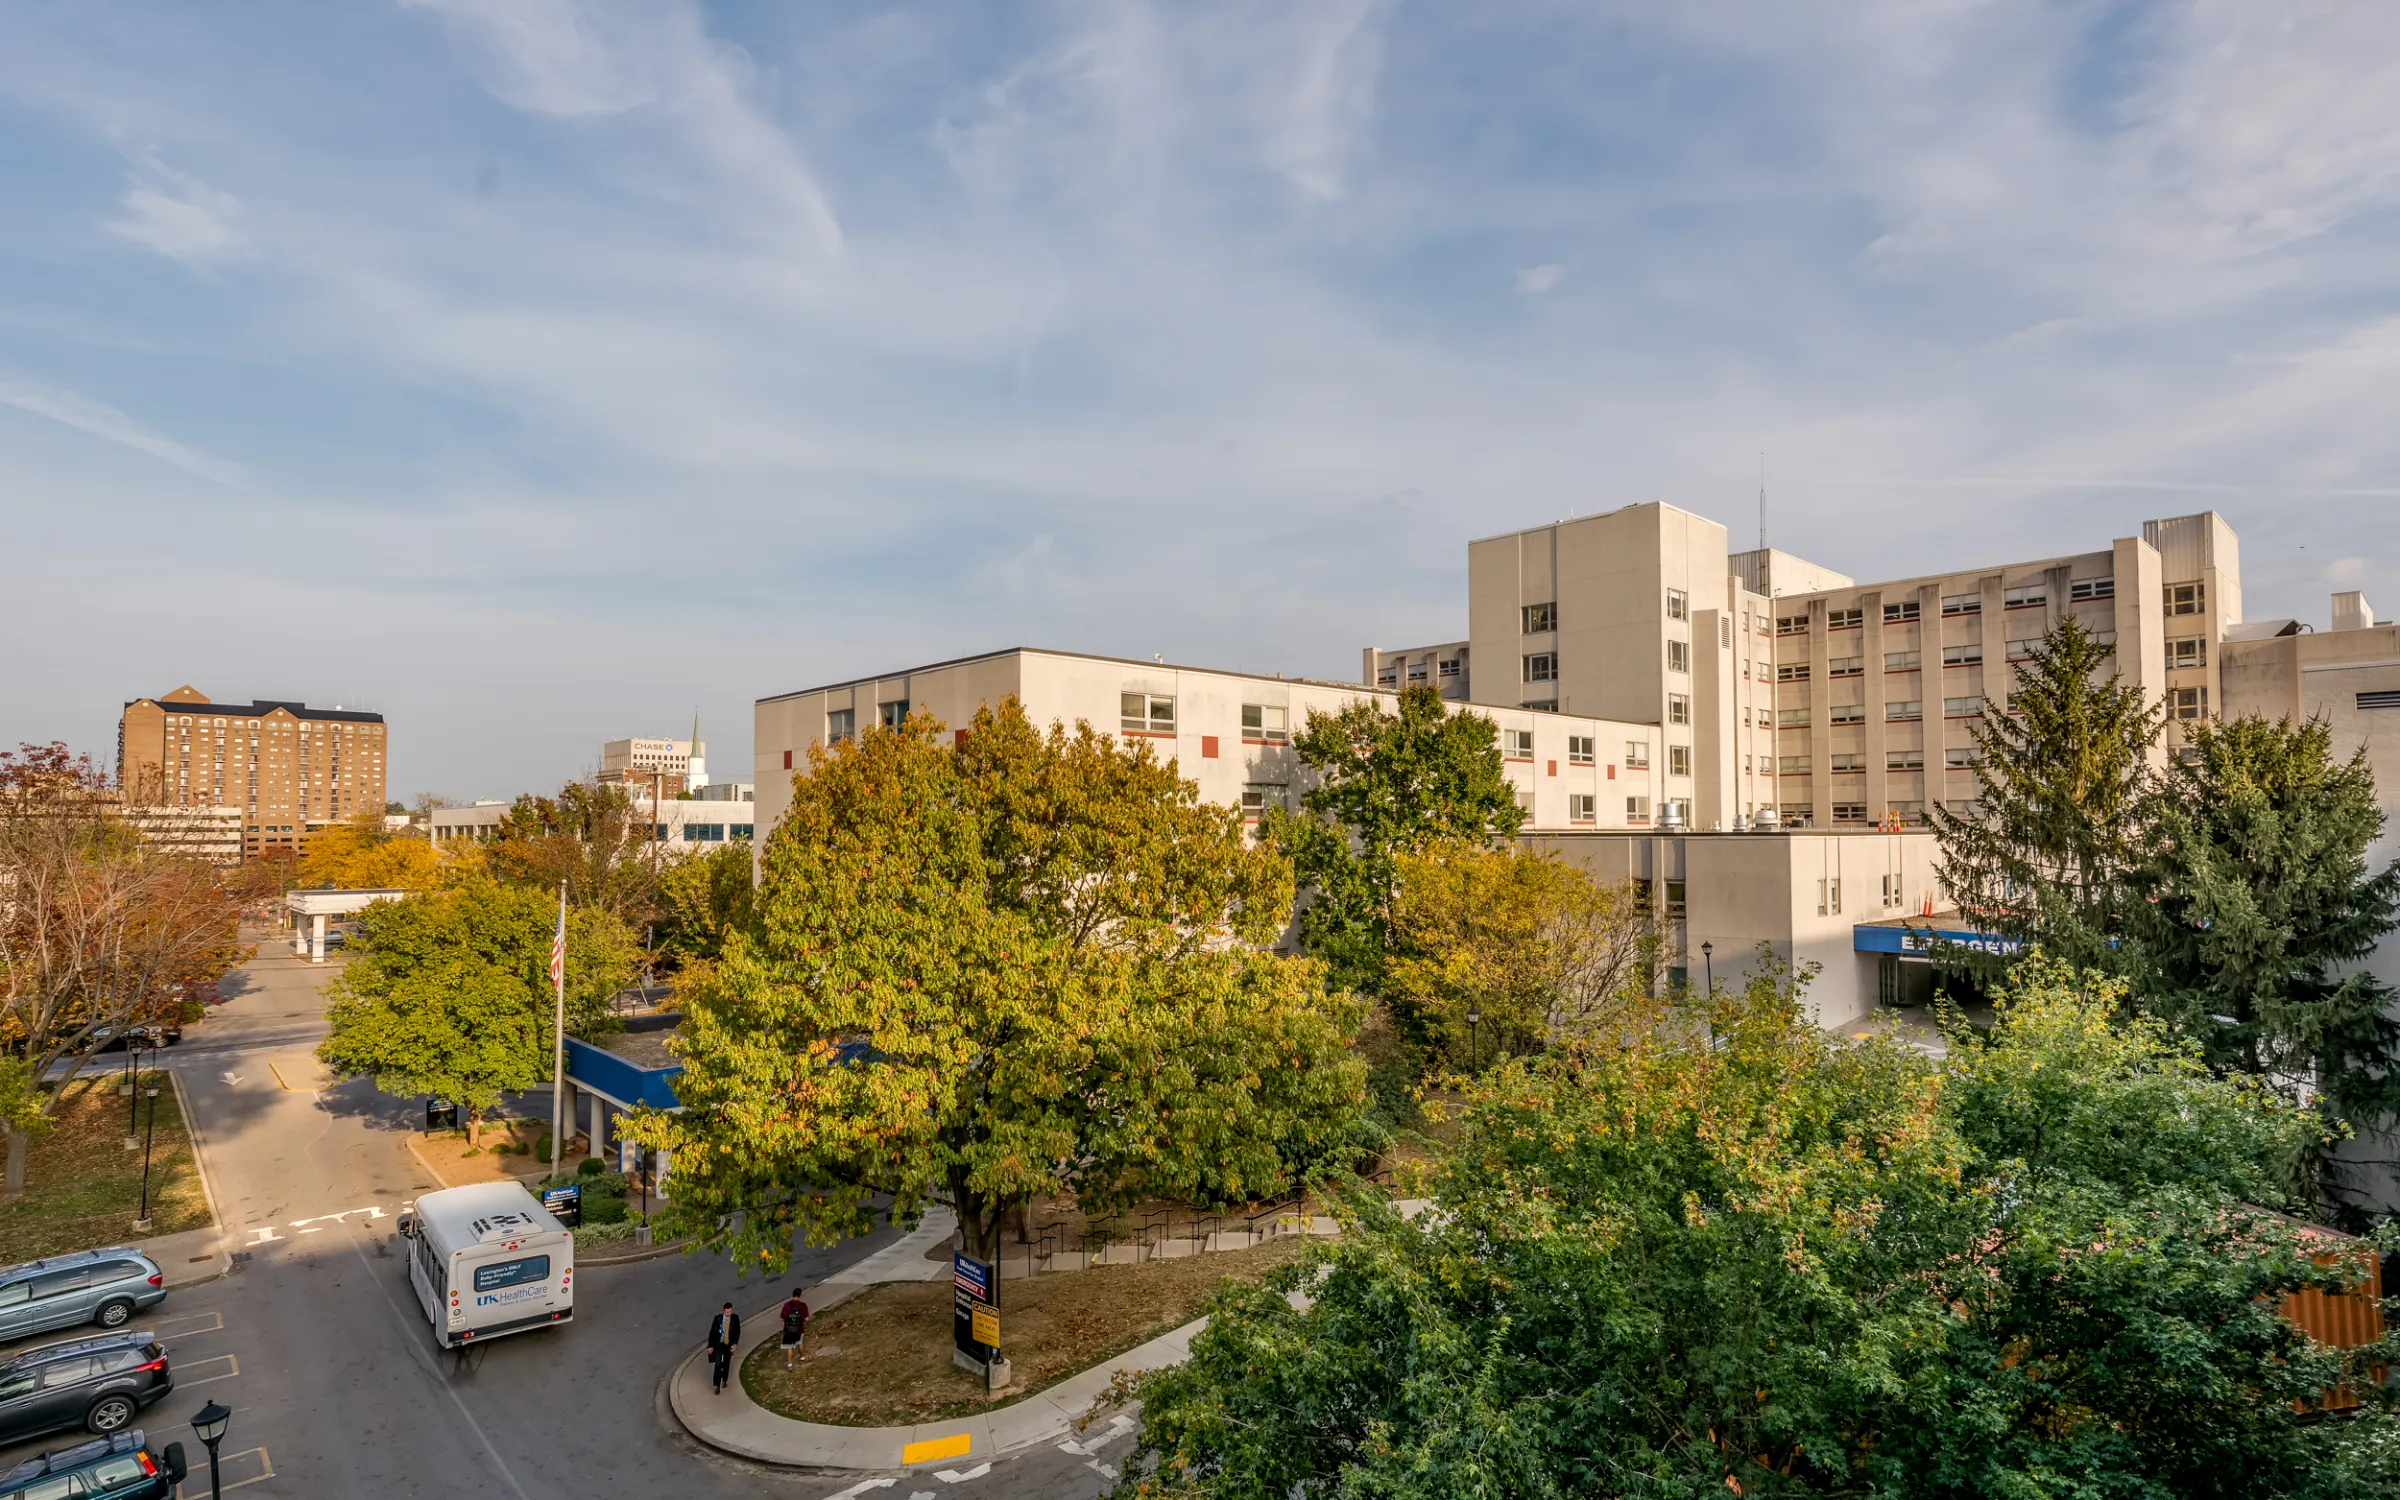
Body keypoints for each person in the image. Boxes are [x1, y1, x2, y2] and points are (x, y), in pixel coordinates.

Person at [706, 1301, 741, 1394]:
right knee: (717, 1364)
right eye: (726, 1312)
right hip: (719, 1344)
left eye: (729, 1312)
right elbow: (712, 1332)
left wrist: (735, 1344)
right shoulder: (718, 1319)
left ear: (731, 1310)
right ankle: (716, 1385)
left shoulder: (735, 1318)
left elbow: (737, 1332)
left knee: (726, 1364)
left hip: (728, 1345)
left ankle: (724, 1380)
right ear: (724, 1311)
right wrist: (710, 1345)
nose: (728, 1314)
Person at [779, 1289, 810, 1368]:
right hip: (799, 1329)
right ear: (800, 1295)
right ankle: (802, 1358)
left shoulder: (786, 1305)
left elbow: (782, 1318)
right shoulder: (803, 1305)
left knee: (789, 1347)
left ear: (792, 1295)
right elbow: (806, 1319)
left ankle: (790, 1365)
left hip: (788, 1330)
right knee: (800, 1343)